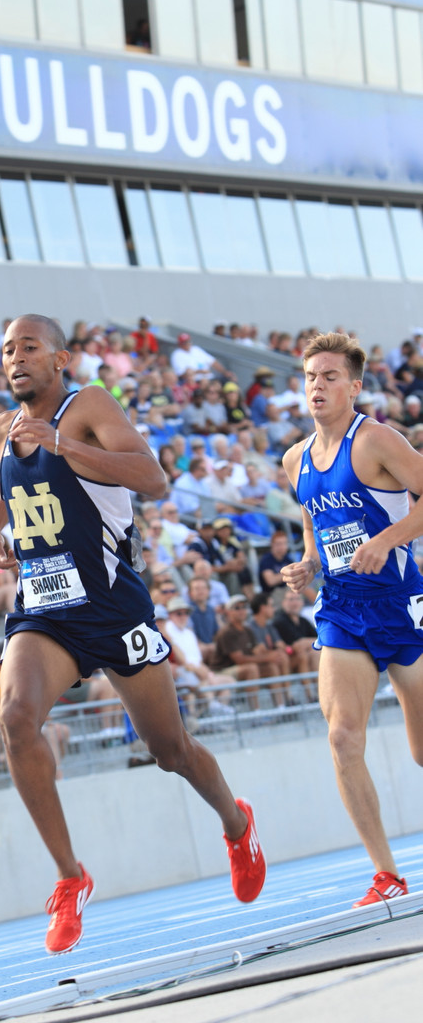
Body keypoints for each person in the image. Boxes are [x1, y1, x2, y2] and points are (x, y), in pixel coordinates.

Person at [0, 313, 266, 954]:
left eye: (29, 346)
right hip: (46, 611)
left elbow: (153, 478)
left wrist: (67, 448)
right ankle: (69, 877)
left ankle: (235, 822)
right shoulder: (5, 429)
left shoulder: (88, 407)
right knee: (17, 717)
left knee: (171, 750)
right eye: (6, 350)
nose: (15, 357)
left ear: (61, 359)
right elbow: (13, 487)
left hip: (113, 608)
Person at [281, 331, 423, 908]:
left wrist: (388, 540)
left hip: (401, 604)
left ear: (354, 386)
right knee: (342, 738)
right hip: (342, 608)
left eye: (330, 377)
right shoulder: (293, 460)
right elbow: (314, 520)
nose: (318, 386)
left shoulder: (377, 442)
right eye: (311, 377)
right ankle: (385, 874)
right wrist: (309, 563)